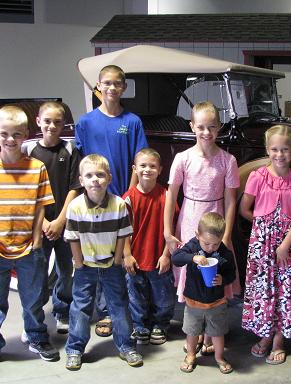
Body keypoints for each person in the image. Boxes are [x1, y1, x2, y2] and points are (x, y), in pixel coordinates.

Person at [0, 105, 59, 372]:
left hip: (30, 249)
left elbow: (41, 206)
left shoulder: (37, 168)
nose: (10, 140)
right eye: (5, 134)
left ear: (26, 135)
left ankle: (37, 336)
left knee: (33, 298)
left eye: (17, 134)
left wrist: (37, 241)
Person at [75, 64, 148, 337]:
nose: (111, 88)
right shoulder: (85, 122)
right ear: (98, 86)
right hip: (94, 203)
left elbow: (137, 163)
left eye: (117, 83)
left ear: (124, 87)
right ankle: (104, 312)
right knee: (97, 258)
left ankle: (124, 309)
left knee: (122, 257)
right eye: (106, 83)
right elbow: (81, 164)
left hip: (122, 200)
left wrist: (128, 196)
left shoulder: (132, 122)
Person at [164, 101, 240, 355]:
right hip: (190, 218)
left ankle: (212, 332)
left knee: (215, 267)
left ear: (219, 128)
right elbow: (171, 195)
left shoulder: (227, 160)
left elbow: (231, 199)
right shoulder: (182, 158)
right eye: (201, 127)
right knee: (194, 270)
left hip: (216, 216)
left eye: (212, 127)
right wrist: (167, 230)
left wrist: (227, 233)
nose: (206, 133)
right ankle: (194, 330)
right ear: (192, 127)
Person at [63, 154, 142, 370]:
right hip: (85, 267)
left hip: (111, 267)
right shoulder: (76, 207)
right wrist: (78, 263)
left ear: (109, 178)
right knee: (80, 307)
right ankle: (74, 349)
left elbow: (122, 234)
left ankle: (126, 346)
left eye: (100, 175)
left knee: (118, 306)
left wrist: (118, 259)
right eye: (89, 175)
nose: (95, 179)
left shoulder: (118, 205)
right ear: (81, 181)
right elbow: (72, 237)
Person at [239, 125, 291, 365]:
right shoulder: (258, 177)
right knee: (263, 290)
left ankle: (279, 340)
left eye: (285, 150)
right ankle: (265, 335)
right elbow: (245, 209)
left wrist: (284, 244)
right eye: (275, 149)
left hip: (288, 246)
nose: (280, 155)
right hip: (261, 245)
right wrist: (262, 228)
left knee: (285, 290)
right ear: (267, 150)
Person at [22, 101, 81, 334]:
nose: (52, 126)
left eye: (57, 122)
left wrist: (60, 221)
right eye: (47, 121)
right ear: (38, 122)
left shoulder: (70, 151)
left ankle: (62, 309)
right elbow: (27, 192)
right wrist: (45, 222)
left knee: (66, 270)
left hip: (64, 225)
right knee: (37, 273)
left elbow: (74, 188)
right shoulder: (28, 152)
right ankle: (35, 318)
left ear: (64, 124)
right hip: (39, 226)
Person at [122, 148, 177, 346]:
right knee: (136, 296)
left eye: (152, 166)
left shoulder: (166, 196)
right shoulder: (128, 198)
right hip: (135, 259)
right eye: (143, 166)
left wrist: (166, 255)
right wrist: (127, 255)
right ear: (135, 169)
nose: (147, 170)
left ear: (160, 169)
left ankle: (160, 325)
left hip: (158, 258)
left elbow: (171, 229)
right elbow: (122, 231)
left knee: (163, 296)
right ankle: (140, 326)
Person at [172, 212, 236, 374]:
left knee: (218, 333)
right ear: (197, 234)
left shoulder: (224, 252)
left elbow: (231, 273)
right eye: (206, 243)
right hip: (194, 301)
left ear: (222, 237)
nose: (210, 248)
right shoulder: (192, 246)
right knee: (192, 332)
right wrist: (193, 258)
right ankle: (191, 355)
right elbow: (176, 258)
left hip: (217, 302)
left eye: (215, 244)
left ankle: (220, 357)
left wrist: (223, 279)